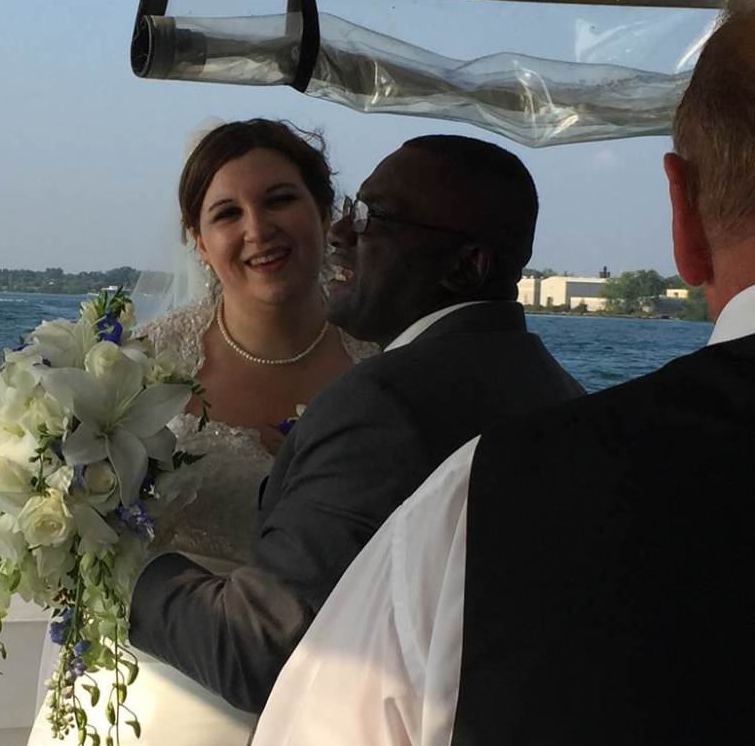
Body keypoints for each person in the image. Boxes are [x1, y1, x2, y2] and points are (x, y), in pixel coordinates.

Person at [211, 0, 755, 746]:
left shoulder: (477, 503)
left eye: (372, 219)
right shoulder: (537, 409)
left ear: (683, 219)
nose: (346, 234)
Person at [0, 119, 377, 746]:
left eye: (281, 200)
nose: (258, 229)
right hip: (145, 680)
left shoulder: (379, 380)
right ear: (198, 239)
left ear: (324, 214)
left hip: (314, 696)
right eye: (227, 214)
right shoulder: (143, 363)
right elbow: (82, 520)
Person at [129, 134, 585, 714]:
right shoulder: (561, 394)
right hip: (180, 691)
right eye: (226, 213)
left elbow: (261, 647)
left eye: (374, 219)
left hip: (308, 715)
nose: (349, 233)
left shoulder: (380, 396)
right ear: (198, 241)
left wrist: (124, 576)